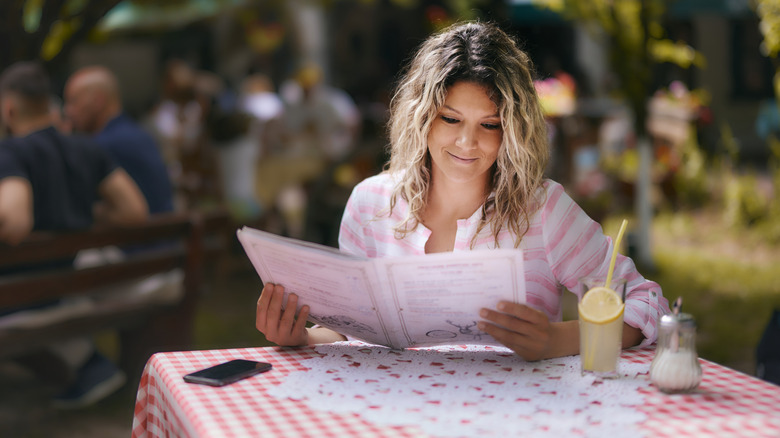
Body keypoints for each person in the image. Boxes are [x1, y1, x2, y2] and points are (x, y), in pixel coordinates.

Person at [255, 22, 670, 361]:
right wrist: (302, 338)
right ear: (422, 117)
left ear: (513, 130)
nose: (467, 143)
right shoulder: (371, 204)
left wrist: (557, 341)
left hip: (515, 419)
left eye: (489, 125)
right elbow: (352, 333)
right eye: (450, 119)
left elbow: (647, 304)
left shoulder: (543, 210)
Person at [0, 61, 149, 407]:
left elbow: (15, 220)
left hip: (21, 295)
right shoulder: (87, 148)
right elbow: (133, 210)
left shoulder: (10, 152)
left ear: (9, 109)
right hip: (64, 280)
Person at [64, 65, 174, 215]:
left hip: (139, 237)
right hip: (167, 234)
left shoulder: (102, 145)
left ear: (98, 101)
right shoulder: (140, 134)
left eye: (73, 101)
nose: (68, 111)